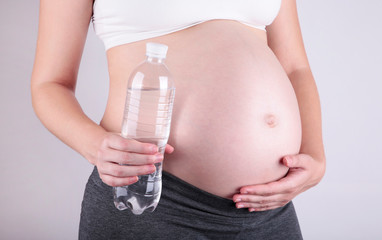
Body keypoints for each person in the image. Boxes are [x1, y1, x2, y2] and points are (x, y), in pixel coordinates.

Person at [31, 0, 326, 239]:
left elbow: (295, 68)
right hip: (148, 198)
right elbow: (50, 84)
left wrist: (315, 157)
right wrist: (94, 145)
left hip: (268, 210)